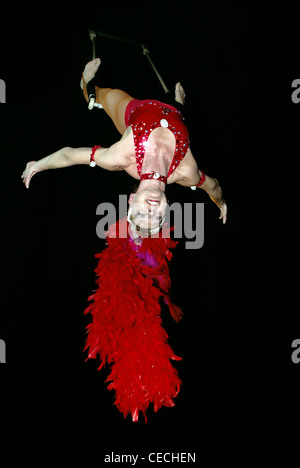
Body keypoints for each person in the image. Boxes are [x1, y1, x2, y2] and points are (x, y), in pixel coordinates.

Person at [22, 58, 227, 237]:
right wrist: (221, 204)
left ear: (131, 200)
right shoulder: (186, 173)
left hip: (134, 111)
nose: (151, 211)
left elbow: (70, 155)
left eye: (141, 214)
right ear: (166, 210)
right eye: (156, 218)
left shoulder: (120, 158)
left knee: (97, 96)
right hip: (174, 114)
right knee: (179, 113)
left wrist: (37, 165)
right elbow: (214, 187)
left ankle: (84, 81)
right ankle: (179, 102)